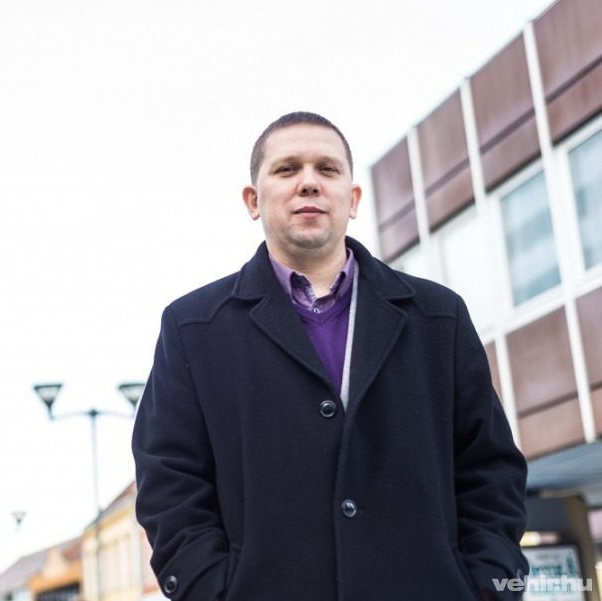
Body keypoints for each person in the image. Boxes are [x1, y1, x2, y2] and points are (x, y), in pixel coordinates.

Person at [131, 111, 528, 600]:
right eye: (286, 169)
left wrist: (487, 586)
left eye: (327, 168)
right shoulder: (192, 328)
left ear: (353, 198)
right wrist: (211, 590)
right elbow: (168, 481)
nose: (308, 182)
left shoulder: (438, 318)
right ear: (253, 201)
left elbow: (490, 470)